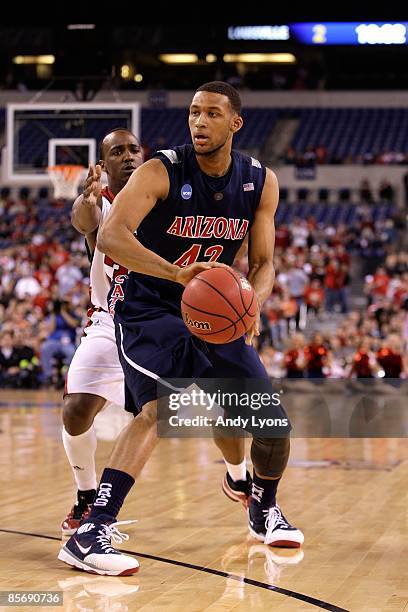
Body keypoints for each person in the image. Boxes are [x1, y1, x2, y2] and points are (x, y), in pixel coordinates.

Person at [59, 81, 304, 576]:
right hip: (150, 308)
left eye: (211, 113)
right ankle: (92, 528)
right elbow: (109, 234)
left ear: (235, 123)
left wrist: (253, 300)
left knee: (272, 426)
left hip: (213, 315)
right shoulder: (160, 171)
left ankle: (262, 504)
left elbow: (264, 262)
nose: (198, 122)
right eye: (193, 112)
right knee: (156, 409)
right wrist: (174, 273)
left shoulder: (259, 181)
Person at [60, 128, 144, 536]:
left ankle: (239, 478)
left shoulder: (165, 203)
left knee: (223, 403)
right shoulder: (104, 204)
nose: (128, 156)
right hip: (110, 320)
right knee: (76, 408)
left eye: (134, 149)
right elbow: (84, 220)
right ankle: (87, 494)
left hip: (164, 322)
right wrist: (86, 198)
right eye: (118, 151)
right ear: (104, 163)